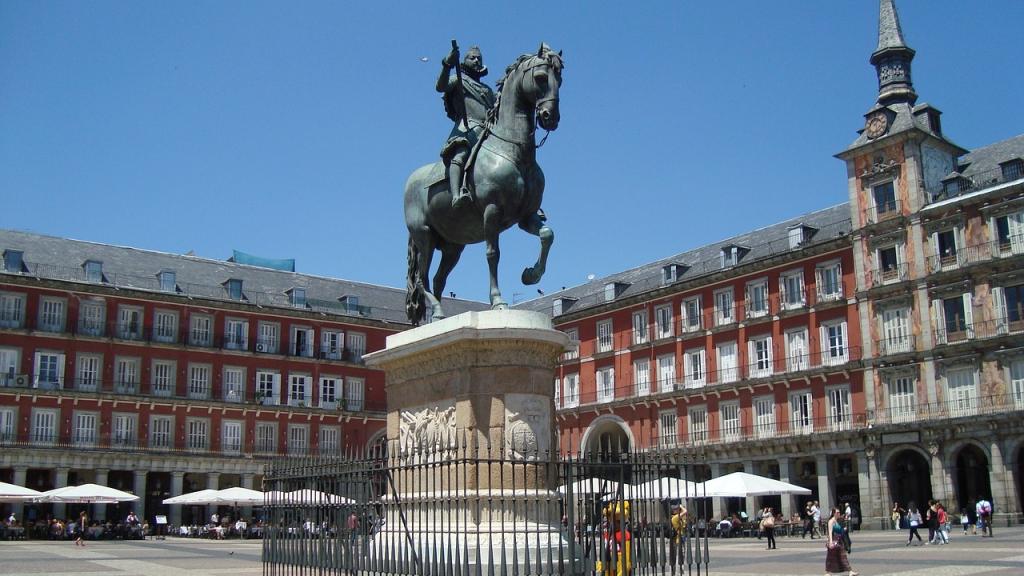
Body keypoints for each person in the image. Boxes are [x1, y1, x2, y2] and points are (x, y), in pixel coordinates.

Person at [435, 43, 496, 210]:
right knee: (461, 154)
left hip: (487, 130)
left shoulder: (488, 90)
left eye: (479, 58)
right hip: (466, 128)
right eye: (472, 58)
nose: (476, 60)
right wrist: (447, 64)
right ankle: (456, 195)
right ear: (465, 61)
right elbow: (440, 87)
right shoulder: (458, 79)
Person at [825, 507, 857, 576]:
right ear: (834, 513)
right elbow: (830, 532)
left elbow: (840, 530)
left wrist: (843, 529)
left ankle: (850, 571)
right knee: (830, 557)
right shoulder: (831, 521)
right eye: (837, 512)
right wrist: (830, 542)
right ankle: (827, 572)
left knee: (843, 556)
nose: (839, 513)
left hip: (839, 541)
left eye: (839, 512)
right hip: (834, 541)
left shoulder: (838, 520)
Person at [668, 504, 687, 575]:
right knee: (680, 557)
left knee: (676, 557)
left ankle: (674, 572)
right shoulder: (675, 517)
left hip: (679, 539)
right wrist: (681, 506)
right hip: (678, 540)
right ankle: (679, 573)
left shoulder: (678, 518)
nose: (679, 510)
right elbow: (685, 511)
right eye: (678, 509)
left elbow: (684, 523)